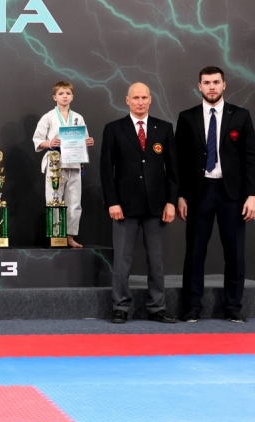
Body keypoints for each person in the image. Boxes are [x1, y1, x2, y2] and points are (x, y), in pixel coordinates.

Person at [176, 66, 255, 323]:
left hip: (232, 195)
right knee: (195, 252)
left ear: (224, 85)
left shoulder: (240, 116)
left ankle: (233, 307)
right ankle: (192, 307)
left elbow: (250, 159)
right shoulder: (187, 117)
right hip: (199, 193)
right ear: (199, 86)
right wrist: (180, 196)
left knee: (235, 252)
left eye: (216, 82)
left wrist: (252, 195)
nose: (212, 87)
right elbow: (180, 161)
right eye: (207, 82)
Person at [99, 82, 178, 324]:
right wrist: (112, 202)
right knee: (122, 261)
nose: (140, 102)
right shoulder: (114, 129)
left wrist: (171, 202)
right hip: (124, 206)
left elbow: (173, 170)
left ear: (150, 99)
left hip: (157, 206)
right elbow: (106, 170)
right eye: (136, 98)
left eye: (144, 97)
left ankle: (157, 307)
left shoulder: (164, 128)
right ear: (127, 100)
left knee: (156, 260)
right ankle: (120, 306)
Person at [32, 81, 95, 247]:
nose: (64, 96)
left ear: (72, 96)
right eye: (61, 93)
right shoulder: (48, 117)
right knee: (54, 200)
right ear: (55, 97)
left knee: (74, 202)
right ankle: (56, 236)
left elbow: (83, 139)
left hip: (74, 162)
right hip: (56, 161)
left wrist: (88, 141)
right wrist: (50, 143)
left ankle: (70, 237)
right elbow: (37, 140)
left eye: (67, 93)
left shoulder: (78, 118)